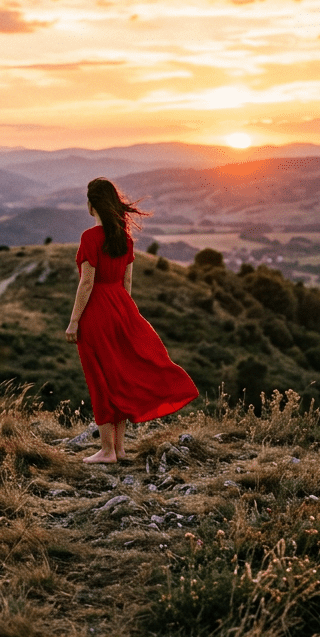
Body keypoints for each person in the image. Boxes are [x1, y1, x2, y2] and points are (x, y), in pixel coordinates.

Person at [65, 177, 198, 464]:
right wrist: (125, 316)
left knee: (100, 379)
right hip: (121, 310)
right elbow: (126, 284)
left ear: (92, 205)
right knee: (120, 377)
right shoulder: (125, 239)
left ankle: (107, 451)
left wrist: (74, 321)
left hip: (97, 313)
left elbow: (87, 283)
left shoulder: (90, 238)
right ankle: (120, 449)